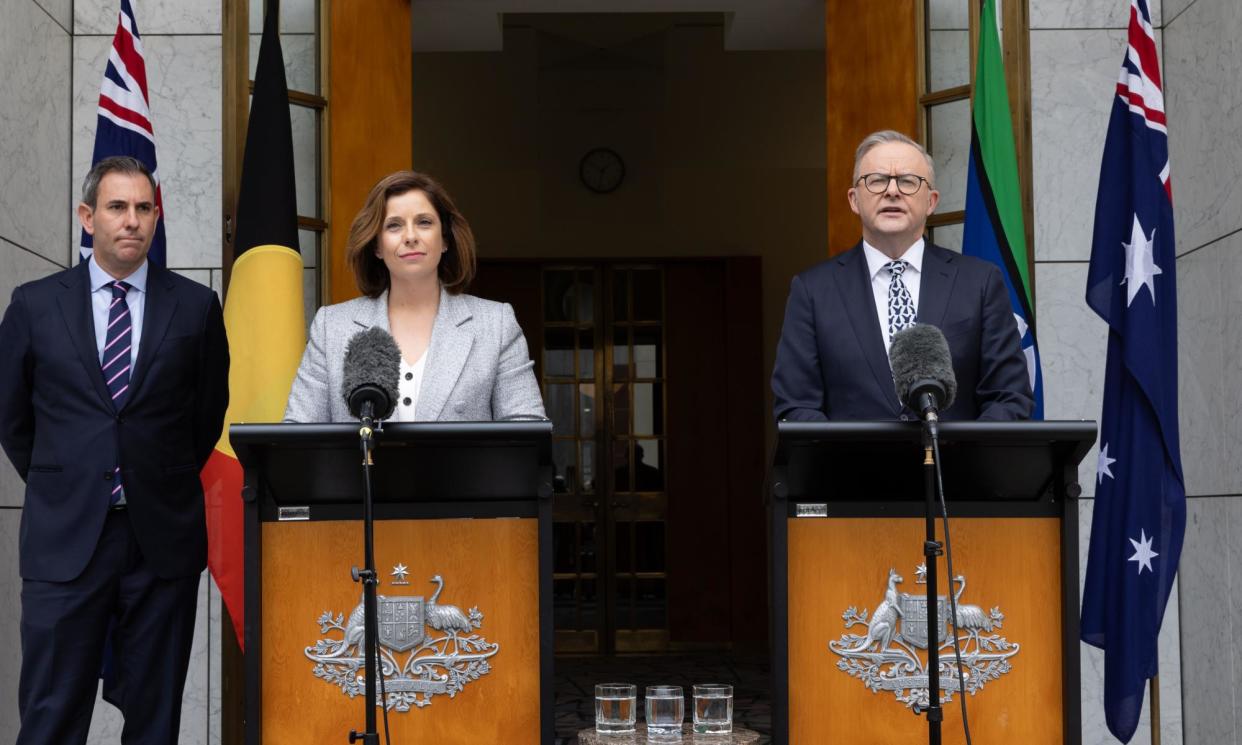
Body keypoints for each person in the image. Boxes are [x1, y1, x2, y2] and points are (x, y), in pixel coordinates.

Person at [0, 156, 230, 743]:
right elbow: (13, 418)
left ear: (156, 216)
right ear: (87, 216)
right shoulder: (34, 304)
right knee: (51, 715)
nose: (132, 221)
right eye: (117, 207)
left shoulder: (197, 307)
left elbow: (204, 416)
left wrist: (150, 475)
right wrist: (71, 478)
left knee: (155, 721)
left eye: (144, 208)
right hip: (65, 536)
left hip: (161, 542)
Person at [771, 130, 1033, 421]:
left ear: (931, 202)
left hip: (955, 464)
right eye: (877, 180)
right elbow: (796, 407)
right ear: (854, 200)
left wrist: (966, 459)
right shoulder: (813, 291)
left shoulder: (980, 282)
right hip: (851, 466)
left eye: (908, 181)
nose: (892, 191)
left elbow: (1009, 397)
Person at [284, 170, 545, 422]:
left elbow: (526, 432)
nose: (410, 237)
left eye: (424, 222)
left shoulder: (495, 324)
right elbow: (297, 437)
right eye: (394, 226)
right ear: (376, 245)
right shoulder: (332, 326)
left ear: (444, 239)